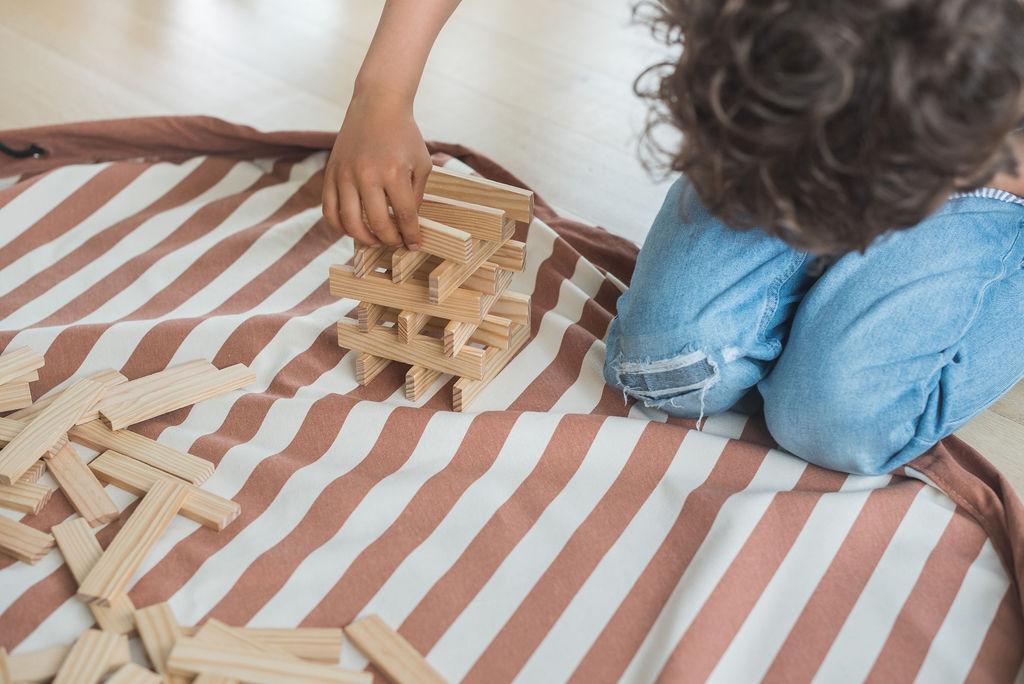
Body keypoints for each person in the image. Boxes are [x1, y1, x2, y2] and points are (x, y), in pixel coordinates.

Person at [321, 0, 1024, 475]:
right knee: (668, 363)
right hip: (804, 114)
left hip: (990, 158)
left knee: (834, 423)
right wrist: (382, 93)